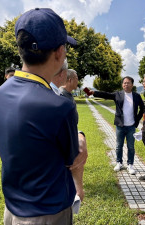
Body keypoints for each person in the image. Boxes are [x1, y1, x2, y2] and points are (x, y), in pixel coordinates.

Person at [0, 8, 86, 225]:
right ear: (59, 52)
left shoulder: (3, 91)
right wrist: (80, 136)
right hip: (48, 212)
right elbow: (72, 158)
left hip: (12, 209)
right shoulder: (59, 105)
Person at [89, 76, 144, 175]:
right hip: (120, 125)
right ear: (122, 84)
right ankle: (119, 163)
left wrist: (137, 121)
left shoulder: (136, 96)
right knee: (119, 146)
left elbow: (142, 108)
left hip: (131, 126)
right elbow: (106, 94)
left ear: (132, 85)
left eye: (128, 83)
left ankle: (130, 164)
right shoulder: (117, 94)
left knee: (131, 147)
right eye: (124, 83)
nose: (126, 84)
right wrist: (94, 92)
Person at [51, 64, 87, 201]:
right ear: (70, 79)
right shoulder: (60, 96)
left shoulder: (69, 95)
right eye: (77, 78)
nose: (78, 81)